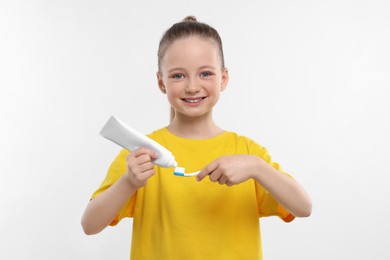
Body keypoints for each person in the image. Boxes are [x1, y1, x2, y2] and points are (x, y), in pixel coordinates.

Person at [81, 15, 312, 260]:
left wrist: (257, 168)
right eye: (178, 76)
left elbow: (303, 207)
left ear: (223, 78)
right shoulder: (143, 153)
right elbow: (90, 224)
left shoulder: (247, 152)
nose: (192, 86)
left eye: (205, 74)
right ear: (161, 82)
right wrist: (129, 181)